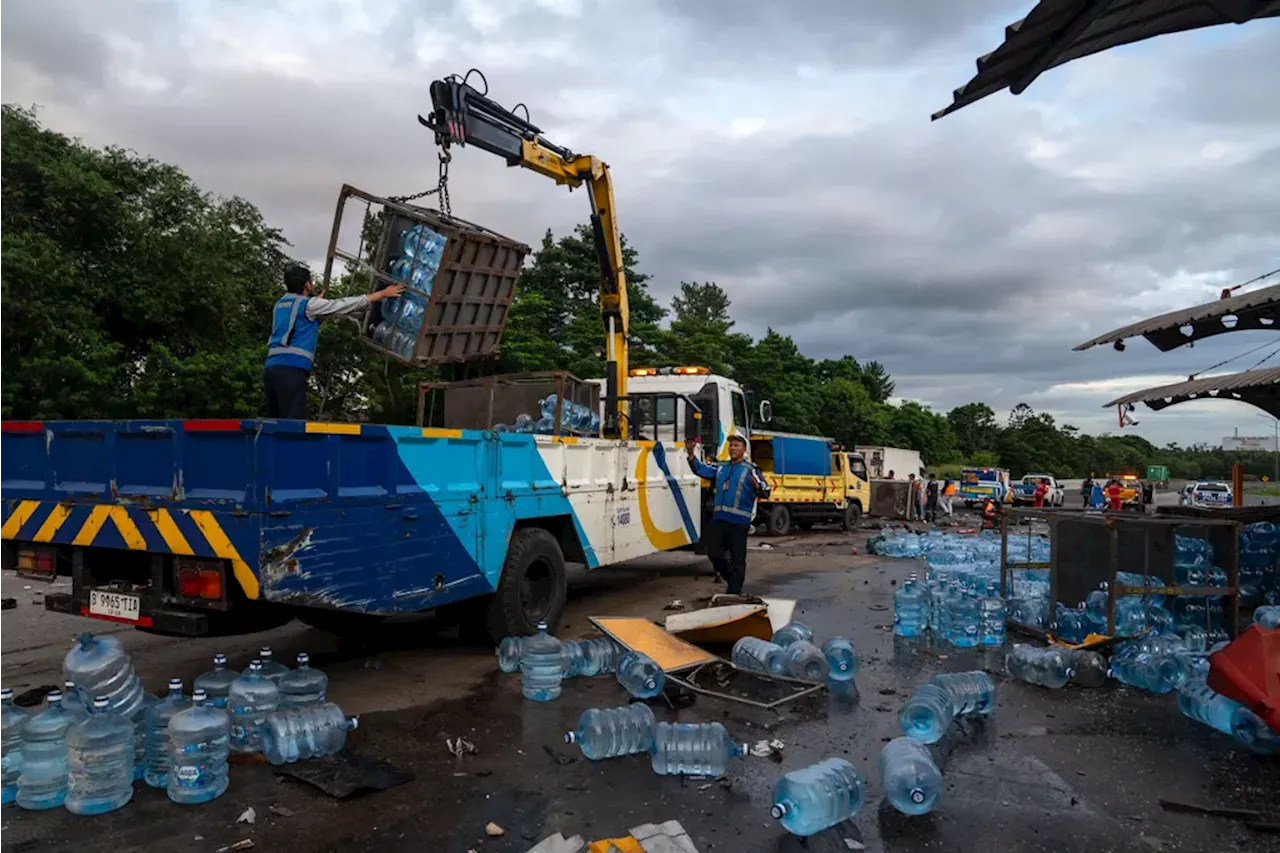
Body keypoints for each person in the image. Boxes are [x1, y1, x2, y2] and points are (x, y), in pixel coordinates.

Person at [264, 263, 405, 419]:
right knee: (293, 422)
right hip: (291, 368)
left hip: (271, 367)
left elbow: (297, 326)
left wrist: (318, 308)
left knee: (275, 421)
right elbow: (341, 305)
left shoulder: (280, 304)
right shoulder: (309, 305)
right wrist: (382, 294)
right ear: (307, 285)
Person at [687, 431, 770, 595]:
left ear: (744, 449)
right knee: (714, 553)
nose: (732, 448)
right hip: (719, 519)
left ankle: (734, 592)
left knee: (737, 558)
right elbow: (701, 469)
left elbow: (765, 490)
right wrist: (690, 454)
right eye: (731, 445)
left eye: (736, 445)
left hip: (739, 522)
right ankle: (732, 580)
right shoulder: (721, 467)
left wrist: (758, 487)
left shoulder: (750, 470)